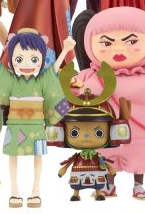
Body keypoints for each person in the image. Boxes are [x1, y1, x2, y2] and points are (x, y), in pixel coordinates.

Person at [71, 7, 145, 199]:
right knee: (103, 159)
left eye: (132, 41)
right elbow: (68, 92)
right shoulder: (89, 75)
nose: (118, 49)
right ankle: (107, 182)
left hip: (142, 138)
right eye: (106, 43)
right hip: (100, 136)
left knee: (141, 160)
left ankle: (138, 185)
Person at [0, 29, 74, 208]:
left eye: (34, 59)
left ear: (42, 59)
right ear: (12, 61)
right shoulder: (12, 80)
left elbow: (53, 72)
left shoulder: (41, 80)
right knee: (13, 156)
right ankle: (14, 191)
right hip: (15, 124)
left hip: (37, 125)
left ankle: (35, 191)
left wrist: (66, 50)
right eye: (19, 59)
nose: (27, 64)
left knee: (37, 157)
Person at [55, 63, 131, 202]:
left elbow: (107, 165)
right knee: (77, 182)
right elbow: (68, 163)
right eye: (74, 133)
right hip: (79, 172)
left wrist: (111, 169)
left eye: (99, 133)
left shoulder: (99, 157)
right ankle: (76, 193)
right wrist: (63, 169)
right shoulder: (85, 156)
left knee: (98, 181)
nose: (85, 136)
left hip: (96, 172)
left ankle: (98, 192)